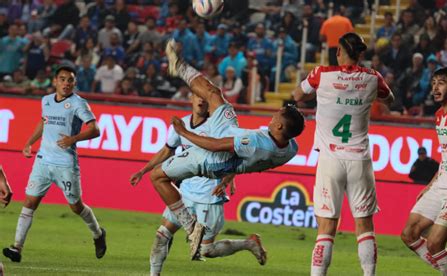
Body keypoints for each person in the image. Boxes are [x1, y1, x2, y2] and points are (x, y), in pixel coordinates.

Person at [147, 39, 305, 260]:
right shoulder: (291, 147)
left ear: (279, 126)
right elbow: (253, 164)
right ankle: (178, 65)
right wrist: (234, 173)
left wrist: (184, 132)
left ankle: (191, 226)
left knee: (157, 176)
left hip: (214, 158)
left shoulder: (255, 142)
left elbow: (213, 145)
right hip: (229, 133)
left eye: (277, 115)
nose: (274, 114)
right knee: (213, 92)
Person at [293, 32, 394, 276]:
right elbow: (389, 99)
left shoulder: (321, 74)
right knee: (364, 225)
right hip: (360, 159)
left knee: (327, 226)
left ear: (338, 51)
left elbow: (297, 95)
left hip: (330, 160)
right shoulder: (373, 78)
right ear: (361, 54)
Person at [130, 94, 266, 275]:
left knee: (206, 250)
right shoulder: (182, 124)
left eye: (204, 98)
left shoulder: (216, 127)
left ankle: (249, 243)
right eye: (197, 97)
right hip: (184, 194)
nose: (201, 101)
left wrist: (229, 178)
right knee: (162, 235)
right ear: (191, 98)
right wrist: (143, 170)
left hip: (208, 195)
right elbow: (166, 150)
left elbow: (237, 154)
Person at [2, 65, 107, 263]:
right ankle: (16, 247)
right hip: (43, 160)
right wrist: (29, 142)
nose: (66, 83)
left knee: (76, 207)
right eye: (63, 79)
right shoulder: (47, 100)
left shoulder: (78, 104)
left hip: (65, 163)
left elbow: (95, 130)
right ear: (55, 81)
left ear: (74, 83)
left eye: (70, 80)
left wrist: (73, 139)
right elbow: (44, 122)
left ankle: (98, 234)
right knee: (29, 202)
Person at [401, 67, 447, 276]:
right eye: (433, 83)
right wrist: (431, 184)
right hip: (441, 183)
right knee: (409, 234)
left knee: (434, 243)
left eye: (441, 82)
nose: (435, 87)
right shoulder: (439, 115)